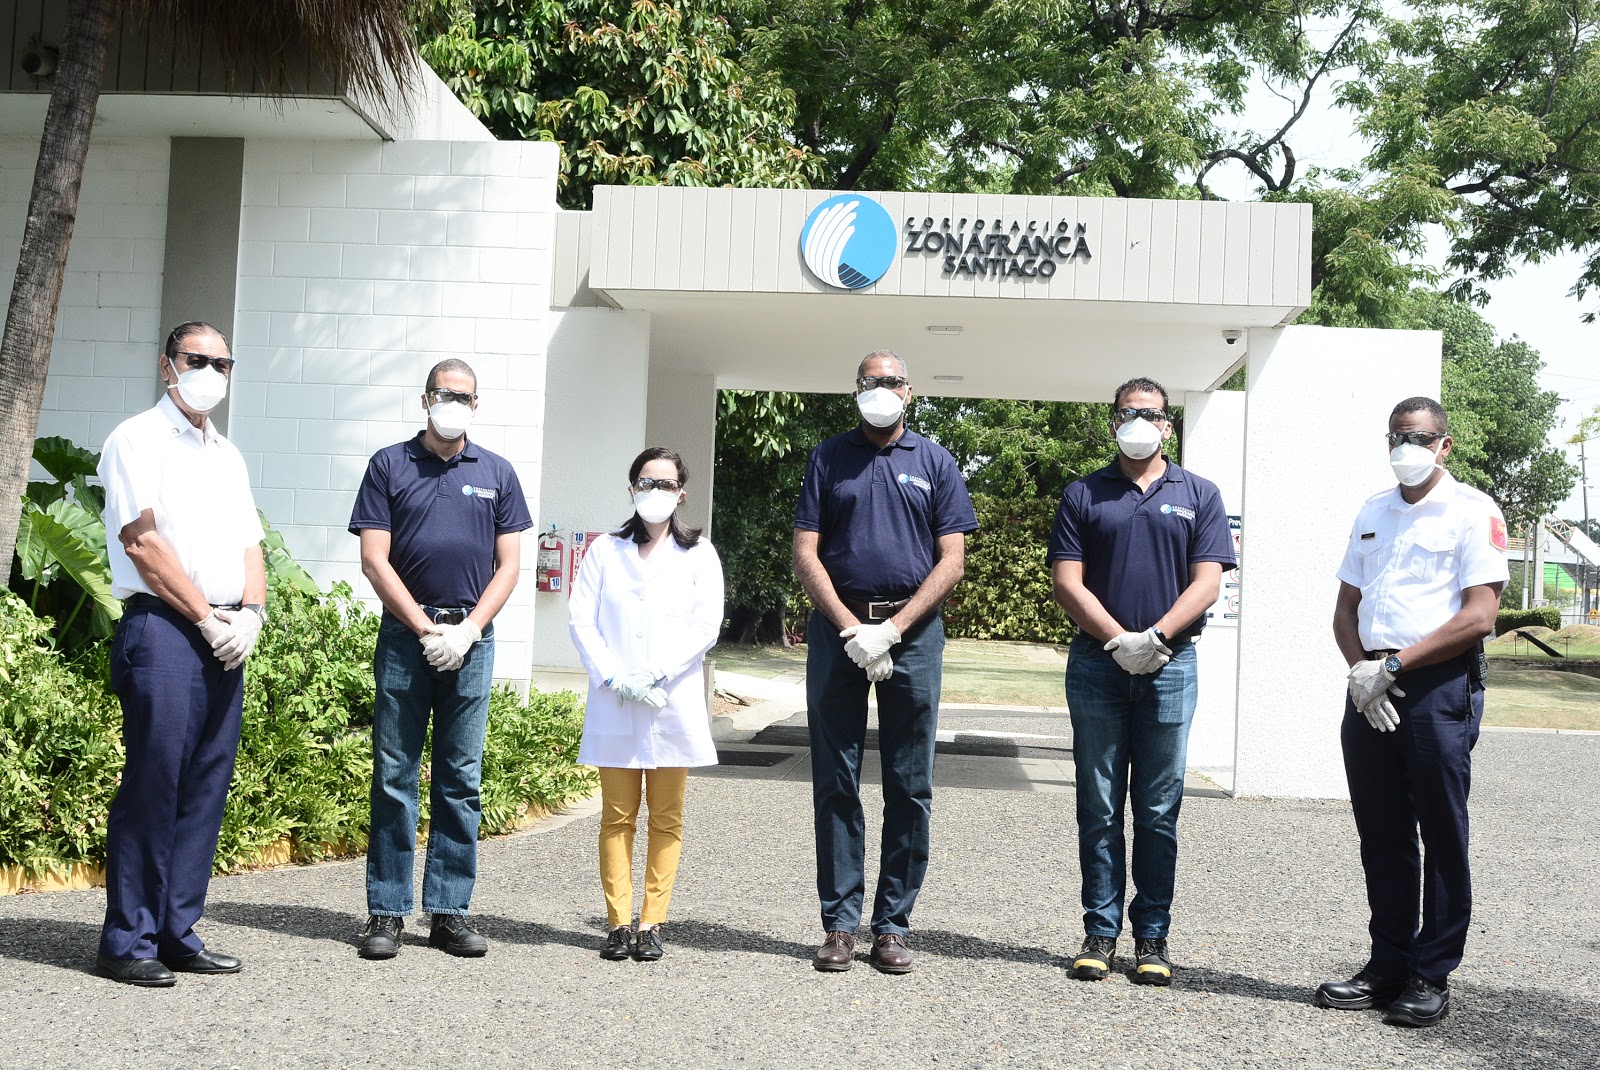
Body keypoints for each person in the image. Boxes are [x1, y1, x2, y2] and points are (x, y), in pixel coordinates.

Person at [1315, 396, 1507, 1027]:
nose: (1407, 447)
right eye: (1398, 436)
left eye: (1420, 437)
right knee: (1382, 832)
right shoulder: (1373, 511)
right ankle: (1388, 964)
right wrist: (1361, 672)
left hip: (1436, 685)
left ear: (1444, 445)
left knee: (1442, 832)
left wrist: (1394, 668)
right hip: (1370, 684)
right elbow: (1346, 609)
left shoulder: (1473, 510)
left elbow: (1480, 616)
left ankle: (1432, 972)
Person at [792, 349, 978, 975]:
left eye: (892, 381)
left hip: (914, 633)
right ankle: (840, 924)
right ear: (856, 389)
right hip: (837, 631)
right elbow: (806, 551)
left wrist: (893, 629)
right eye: (870, 381)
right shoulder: (827, 458)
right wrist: (851, 627)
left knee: (910, 782)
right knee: (835, 779)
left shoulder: (936, 461)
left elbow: (952, 560)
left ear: (909, 391)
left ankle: (892, 925)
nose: (881, 389)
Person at [1048, 376, 1235, 987]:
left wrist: (1154, 638)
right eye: (1129, 412)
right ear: (1113, 422)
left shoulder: (1200, 494)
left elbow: (1208, 582)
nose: (1140, 422)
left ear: (1167, 426)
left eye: (1151, 414)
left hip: (1171, 665)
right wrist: (1117, 641)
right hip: (1097, 664)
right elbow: (1068, 582)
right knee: (1098, 805)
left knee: (1158, 809)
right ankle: (1099, 932)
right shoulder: (1083, 494)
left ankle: (1152, 934)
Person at [95, 321, 266, 987]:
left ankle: (177, 932)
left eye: (224, 364)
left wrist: (250, 614)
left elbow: (251, 545)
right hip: (166, 627)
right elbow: (141, 542)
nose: (212, 373)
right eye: (199, 360)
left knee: (204, 786)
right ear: (167, 365)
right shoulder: (136, 439)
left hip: (226, 630)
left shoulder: (227, 454)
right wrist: (203, 616)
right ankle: (127, 940)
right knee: (155, 782)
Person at [349, 358, 532, 960]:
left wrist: (469, 629)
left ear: (476, 406)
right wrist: (426, 628)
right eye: (443, 393)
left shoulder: (497, 472)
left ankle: (450, 911)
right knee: (394, 774)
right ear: (425, 398)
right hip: (408, 637)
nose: (452, 403)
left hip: (473, 640)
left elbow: (510, 565)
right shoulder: (389, 465)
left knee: (461, 777)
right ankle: (387, 910)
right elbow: (374, 559)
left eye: (463, 396)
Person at [567, 447, 725, 962]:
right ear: (631, 489)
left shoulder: (699, 553)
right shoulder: (604, 551)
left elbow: (706, 625)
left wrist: (656, 671)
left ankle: (652, 922)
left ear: (682, 493)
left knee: (667, 817)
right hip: (615, 700)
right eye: (646, 482)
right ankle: (618, 923)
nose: (655, 491)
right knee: (616, 816)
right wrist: (615, 676)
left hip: (671, 700)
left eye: (666, 483)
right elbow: (581, 619)